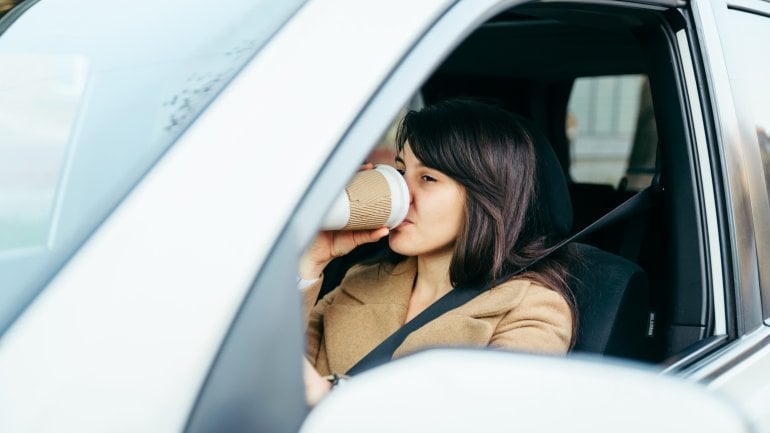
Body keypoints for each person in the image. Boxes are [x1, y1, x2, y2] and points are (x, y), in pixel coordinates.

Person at [299, 99, 576, 405]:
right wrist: (311, 261)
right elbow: (268, 369)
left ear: (485, 199)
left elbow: (490, 415)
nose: (403, 194)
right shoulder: (360, 281)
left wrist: (334, 396)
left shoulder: (529, 308)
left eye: (428, 178)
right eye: (401, 171)